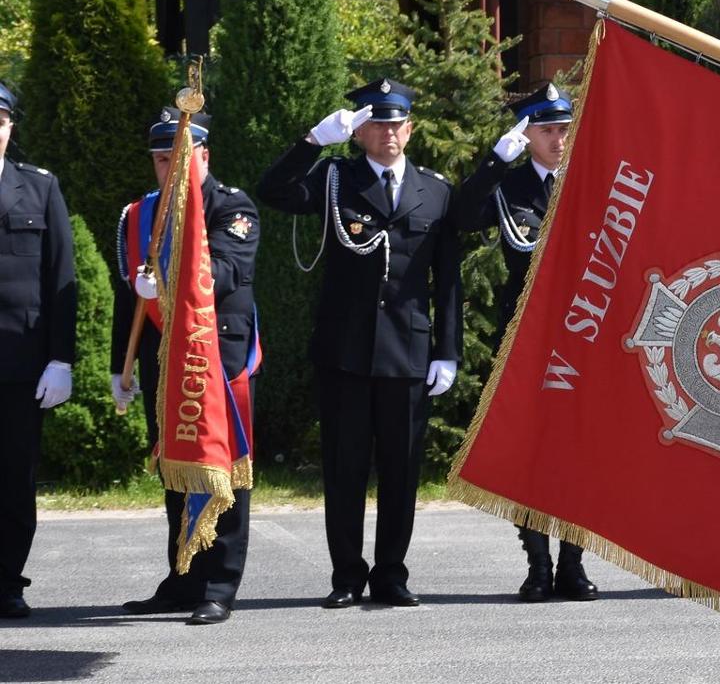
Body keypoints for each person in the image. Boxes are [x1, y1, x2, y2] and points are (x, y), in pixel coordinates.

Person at [257, 79, 462, 609]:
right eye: (377, 124)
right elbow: (273, 191)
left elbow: (448, 279)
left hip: (408, 353)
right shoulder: (334, 179)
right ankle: (347, 574)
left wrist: (447, 350)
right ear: (358, 133)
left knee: (401, 470)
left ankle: (391, 573)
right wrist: (311, 142)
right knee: (345, 468)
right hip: (345, 352)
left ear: (410, 130)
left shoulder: (436, 191)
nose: (388, 133)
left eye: (396, 124)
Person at [452, 82, 598, 603]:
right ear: (526, 134)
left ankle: (573, 564)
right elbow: (461, 218)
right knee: (528, 454)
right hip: (525, 342)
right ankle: (538, 564)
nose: (559, 139)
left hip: (585, 341)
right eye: (548, 130)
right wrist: (495, 162)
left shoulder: (594, 180)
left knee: (581, 454)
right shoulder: (508, 187)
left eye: (565, 129)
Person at [113, 108, 260, 625]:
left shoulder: (231, 206)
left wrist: (165, 275)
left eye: (179, 157)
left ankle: (219, 586)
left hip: (215, 359)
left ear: (204, 156)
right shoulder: (140, 215)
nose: (170, 168)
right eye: (161, 159)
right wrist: (120, 365)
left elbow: (225, 272)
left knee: (223, 471)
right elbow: (129, 299)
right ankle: (183, 578)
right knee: (176, 468)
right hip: (163, 361)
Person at [0, 82, 76, 619]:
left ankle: (7, 581)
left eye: (0, 120)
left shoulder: (40, 186)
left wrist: (60, 357)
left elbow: (60, 277)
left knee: (13, 477)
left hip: (19, 361)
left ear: (10, 127)